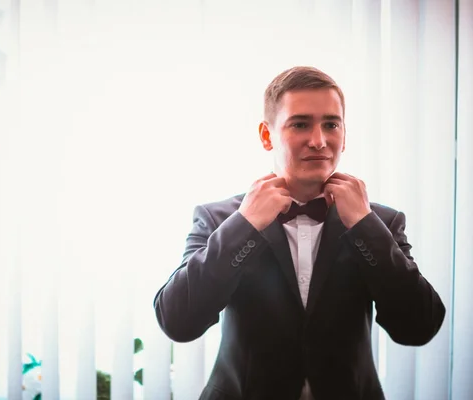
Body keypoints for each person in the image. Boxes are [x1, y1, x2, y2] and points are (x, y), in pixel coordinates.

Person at [153, 66, 445, 400]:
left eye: (331, 124)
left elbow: (420, 327)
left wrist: (365, 226)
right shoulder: (218, 218)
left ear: (345, 135)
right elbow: (177, 321)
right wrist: (244, 225)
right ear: (267, 135)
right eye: (300, 124)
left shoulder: (381, 222)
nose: (319, 140)